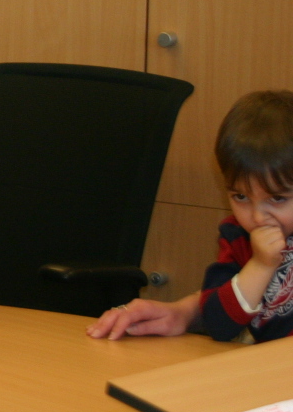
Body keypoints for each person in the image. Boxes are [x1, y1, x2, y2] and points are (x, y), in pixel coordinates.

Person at [89, 90, 293, 342]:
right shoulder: (237, 236)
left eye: (277, 198)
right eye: (241, 196)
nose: (258, 218)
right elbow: (218, 324)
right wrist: (260, 266)